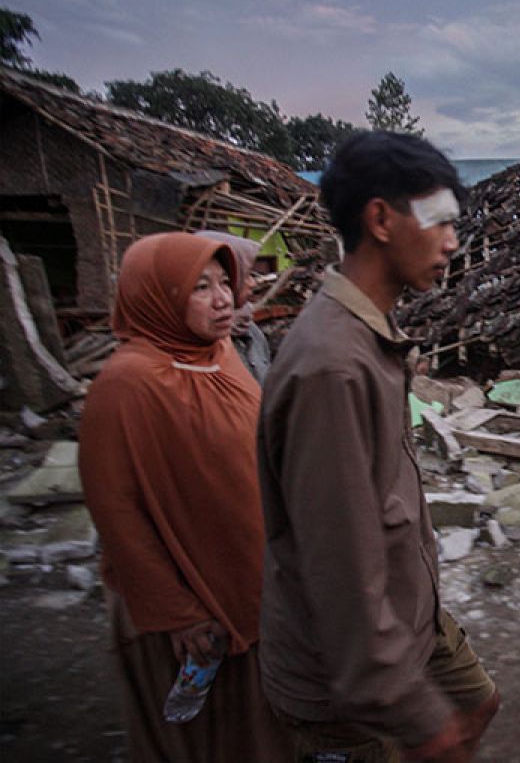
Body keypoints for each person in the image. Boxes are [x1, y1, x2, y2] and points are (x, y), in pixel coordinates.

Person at [257, 131, 500, 762]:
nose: (453, 242)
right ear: (381, 219)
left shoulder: (372, 336)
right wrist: (413, 711)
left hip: (410, 617)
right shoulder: (333, 367)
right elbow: (339, 566)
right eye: (439, 220)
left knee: (479, 703)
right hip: (345, 678)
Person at [78, 232, 289, 762]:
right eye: (200, 287)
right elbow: (117, 511)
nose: (225, 300)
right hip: (192, 604)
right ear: (159, 294)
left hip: (248, 580)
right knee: (202, 738)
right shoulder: (128, 384)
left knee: (258, 725)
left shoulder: (221, 356)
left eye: (225, 283)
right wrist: (178, 613)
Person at [196, 230, 272, 385]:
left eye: (224, 281)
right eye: (246, 274)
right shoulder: (198, 341)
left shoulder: (251, 331)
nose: (253, 282)